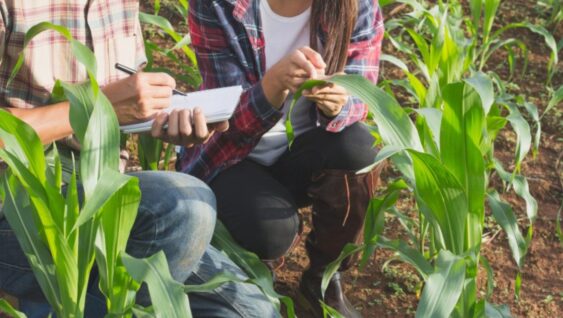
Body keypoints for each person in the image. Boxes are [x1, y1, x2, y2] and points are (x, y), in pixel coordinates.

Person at [0, 1, 278, 317]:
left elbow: (126, 100)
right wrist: (98, 105)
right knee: (181, 206)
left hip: (99, 192)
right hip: (17, 207)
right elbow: (107, 105)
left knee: (254, 310)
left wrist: (167, 120)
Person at [178, 0, 384, 317]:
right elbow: (224, 118)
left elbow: (362, 88)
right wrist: (273, 85)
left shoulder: (357, 5)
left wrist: (340, 101)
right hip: (232, 156)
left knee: (361, 149)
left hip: (304, 149)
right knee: (271, 229)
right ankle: (256, 281)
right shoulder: (218, 4)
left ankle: (323, 281)